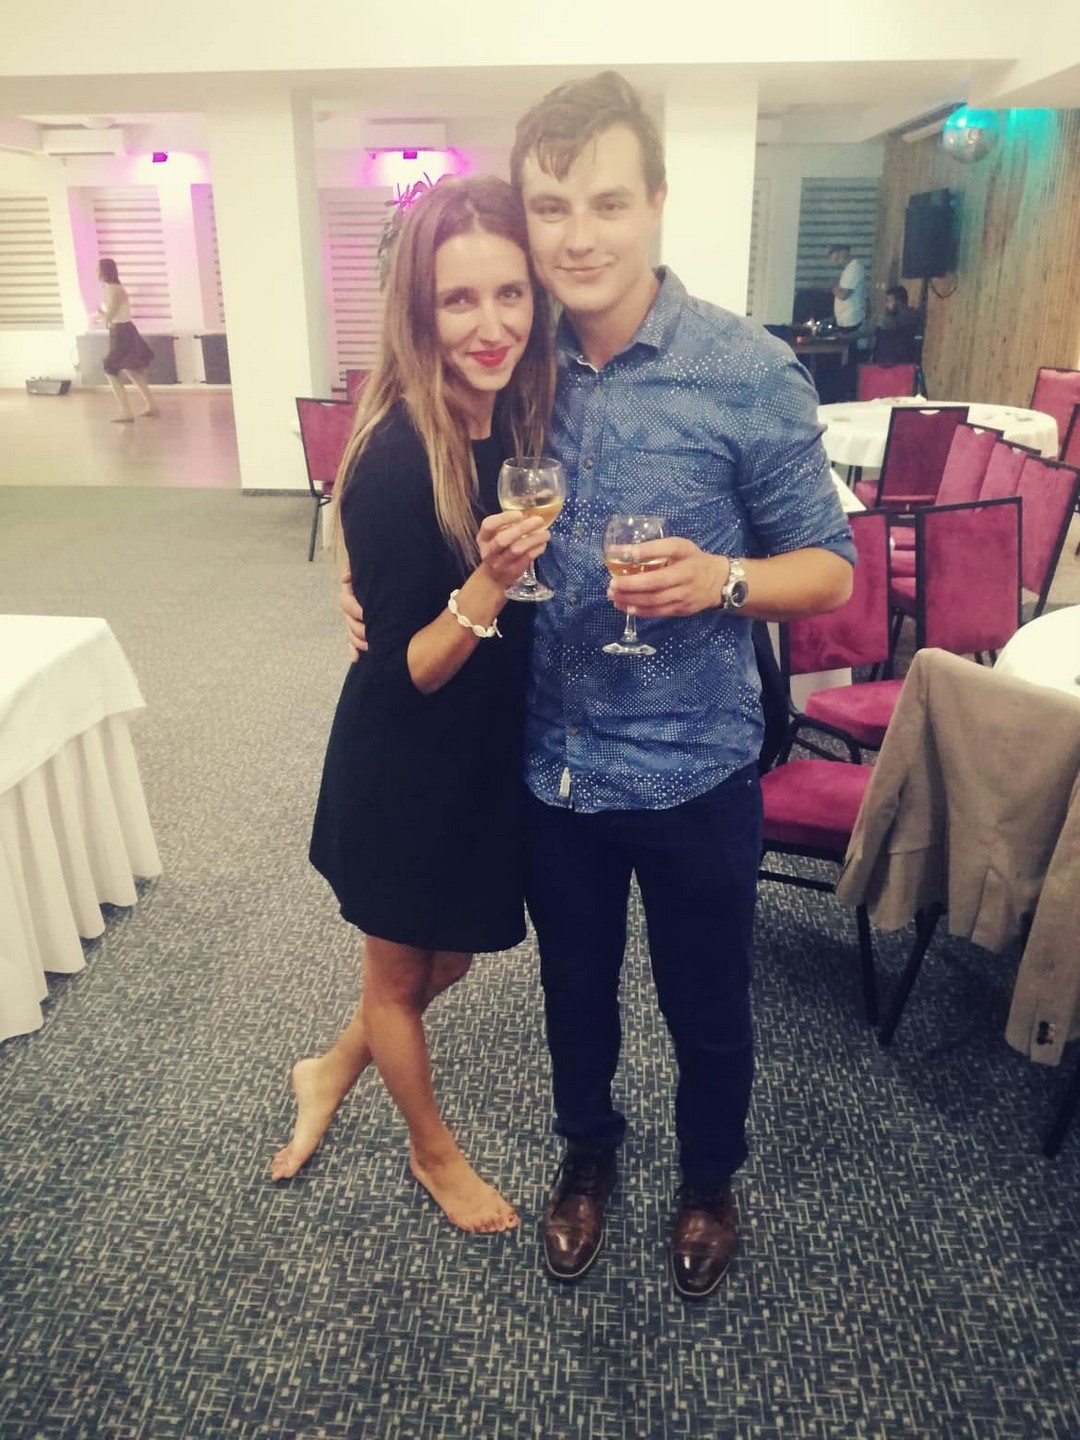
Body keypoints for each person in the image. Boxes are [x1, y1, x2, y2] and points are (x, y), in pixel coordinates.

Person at [342, 71, 855, 1297]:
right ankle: (588, 1157)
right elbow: (402, 464)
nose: (579, 238)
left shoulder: (748, 371)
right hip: (552, 764)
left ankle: (710, 1179)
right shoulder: (514, 359)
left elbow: (832, 571)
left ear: (658, 202)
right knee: (575, 998)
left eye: (608, 204)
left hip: (694, 767)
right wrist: (357, 582)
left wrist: (725, 580)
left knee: (708, 1004)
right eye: (553, 207)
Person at [272, 176, 556, 1236]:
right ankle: (432, 1154)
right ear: (419, 312)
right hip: (406, 759)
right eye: (459, 301)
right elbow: (403, 673)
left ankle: (330, 1065)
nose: (492, 326)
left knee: (452, 955)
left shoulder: (509, 418)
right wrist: (491, 580)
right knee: (397, 977)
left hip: (482, 751)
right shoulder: (397, 456)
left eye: (510, 294)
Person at [94, 258, 158, 422]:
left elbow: (110, 317)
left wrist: (100, 317)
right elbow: (111, 315)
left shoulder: (113, 290)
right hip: (123, 330)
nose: (95, 272)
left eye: (97, 269)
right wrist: (102, 316)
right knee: (132, 370)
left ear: (104, 271)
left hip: (121, 332)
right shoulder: (111, 288)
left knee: (110, 369)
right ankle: (151, 405)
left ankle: (126, 412)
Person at [874, 284, 920, 365]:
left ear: (898, 302)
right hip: (906, 362)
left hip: (890, 363)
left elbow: (872, 329)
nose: (886, 305)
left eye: (889, 301)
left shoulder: (891, 321)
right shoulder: (914, 315)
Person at [826, 243, 867, 332]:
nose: (835, 261)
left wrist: (833, 287)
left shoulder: (855, 268)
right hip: (845, 320)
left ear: (843, 252)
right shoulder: (848, 269)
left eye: (837, 257)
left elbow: (843, 295)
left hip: (851, 320)